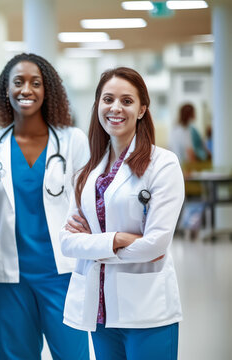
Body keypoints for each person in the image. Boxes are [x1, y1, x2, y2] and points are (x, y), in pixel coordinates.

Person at [61, 67, 184, 360]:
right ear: (98, 106)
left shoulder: (163, 164)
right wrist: (119, 239)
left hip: (146, 309)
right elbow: (67, 242)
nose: (116, 108)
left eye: (127, 101)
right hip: (100, 310)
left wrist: (93, 245)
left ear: (142, 109)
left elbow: (155, 245)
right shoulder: (87, 172)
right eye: (108, 99)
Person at [0, 53, 91, 360]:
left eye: (35, 83)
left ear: (48, 90)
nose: (26, 89)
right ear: (5, 89)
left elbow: (88, 206)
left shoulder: (72, 141)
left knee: (73, 354)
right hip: (7, 277)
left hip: (62, 274)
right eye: (18, 82)